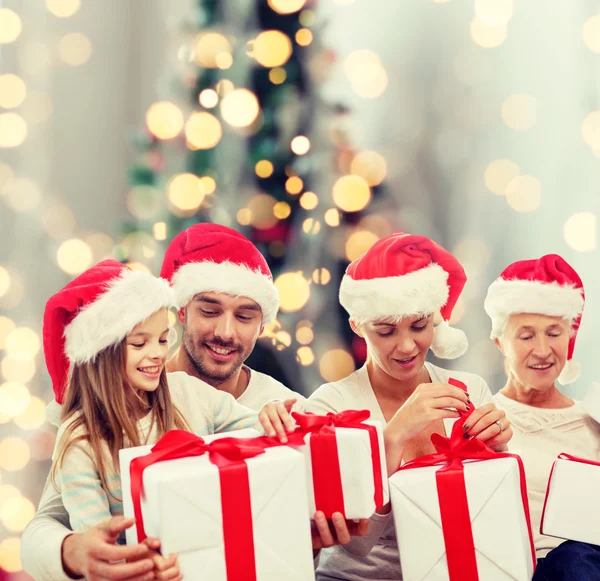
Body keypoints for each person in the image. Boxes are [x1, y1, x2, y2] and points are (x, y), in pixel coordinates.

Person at [21, 260, 295, 581]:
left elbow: (259, 433)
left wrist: (270, 415)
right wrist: (142, 568)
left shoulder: (185, 392)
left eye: (163, 340)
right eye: (139, 343)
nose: (157, 354)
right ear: (101, 353)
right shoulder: (81, 440)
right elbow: (100, 541)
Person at [305, 232, 513, 580]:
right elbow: (352, 546)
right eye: (386, 331)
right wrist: (392, 438)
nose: (406, 346)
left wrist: (500, 453)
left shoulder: (469, 389)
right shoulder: (331, 407)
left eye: (419, 326)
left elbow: (494, 519)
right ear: (357, 325)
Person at [485, 254, 600, 581]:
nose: (542, 350)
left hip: (582, 568)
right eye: (526, 336)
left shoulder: (594, 423)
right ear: (500, 343)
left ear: (570, 338)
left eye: (554, 333)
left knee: (576, 556)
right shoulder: (483, 420)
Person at [160, 223, 305, 409]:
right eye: (210, 312)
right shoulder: (134, 398)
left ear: (262, 326)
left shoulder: (289, 411)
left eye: (244, 317)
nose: (225, 333)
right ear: (182, 311)